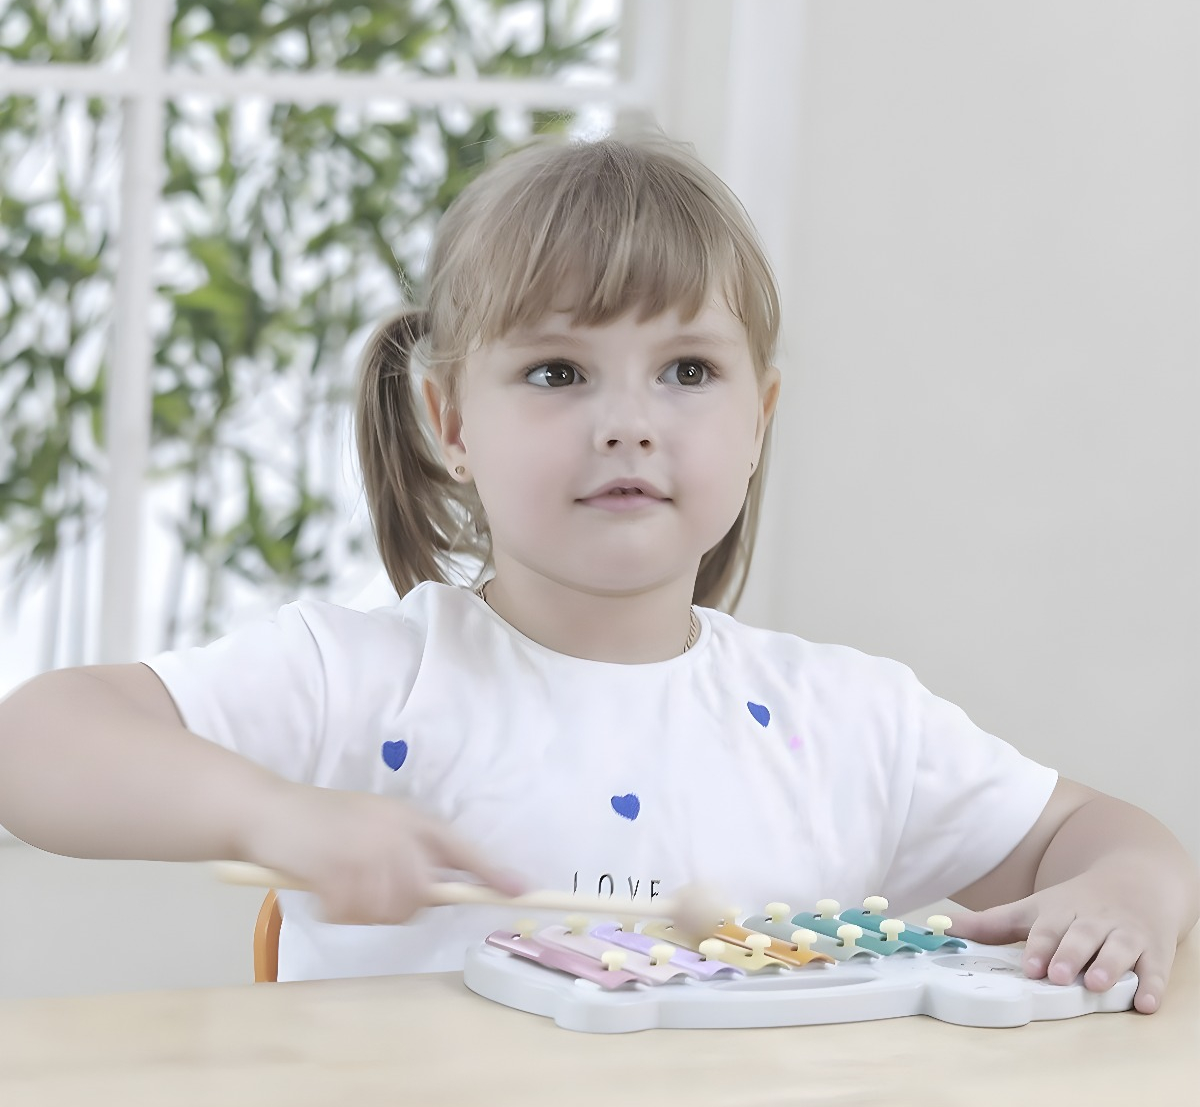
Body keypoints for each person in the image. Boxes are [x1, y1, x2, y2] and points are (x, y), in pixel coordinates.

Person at [0, 133, 1194, 1007]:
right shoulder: (366, 684)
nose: (628, 423)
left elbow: (1105, 833)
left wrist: (1126, 894)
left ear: (760, 417)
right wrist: (281, 815)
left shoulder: (848, 721)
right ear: (449, 422)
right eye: (559, 372)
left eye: (686, 371)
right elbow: (36, 744)